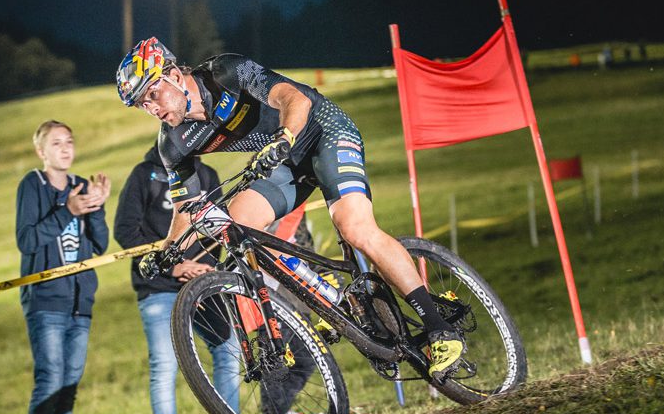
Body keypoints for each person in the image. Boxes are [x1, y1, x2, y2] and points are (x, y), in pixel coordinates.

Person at [115, 37, 465, 382]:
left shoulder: (224, 72)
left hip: (320, 131)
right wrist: (169, 251)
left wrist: (284, 137)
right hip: (282, 161)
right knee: (239, 225)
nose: (152, 108)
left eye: (152, 94)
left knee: (353, 227)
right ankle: (332, 297)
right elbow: (187, 207)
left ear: (174, 75)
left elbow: (293, 98)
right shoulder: (172, 144)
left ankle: (440, 329)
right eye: (142, 104)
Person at [114, 146, 240, 414]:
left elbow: (217, 230)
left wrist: (203, 268)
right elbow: (125, 230)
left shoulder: (207, 175)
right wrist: (174, 267)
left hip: (200, 284)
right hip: (158, 287)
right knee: (165, 365)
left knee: (228, 350)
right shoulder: (143, 174)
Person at [16, 121, 110, 414]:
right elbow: (27, 241)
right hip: (46, 302)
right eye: (56, 143)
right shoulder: (32, 184)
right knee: (50, 380)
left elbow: (100, 245)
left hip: (80, 302)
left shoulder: (80, 184)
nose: (65, 148)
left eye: (69, 141)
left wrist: (97, 207)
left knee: (69, 386)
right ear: (40, 151)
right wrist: (68, 211)